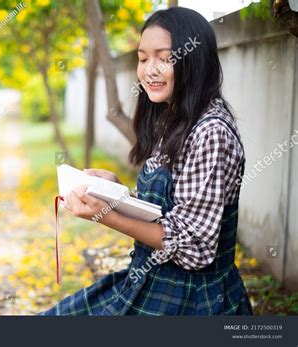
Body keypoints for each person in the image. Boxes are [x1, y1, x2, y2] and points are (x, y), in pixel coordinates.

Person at [39, 6, 253, 315]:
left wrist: (107, 215)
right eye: (142, 58)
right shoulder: (172, 116)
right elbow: (173, 212)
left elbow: (193, 247)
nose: (149, 69)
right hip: (148, 277)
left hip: (189, 300)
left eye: (164, 58)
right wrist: (118, 194)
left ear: (194, 59)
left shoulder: (211, 133)